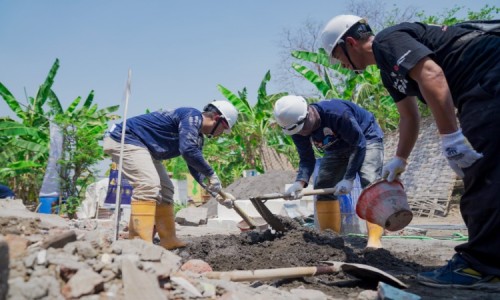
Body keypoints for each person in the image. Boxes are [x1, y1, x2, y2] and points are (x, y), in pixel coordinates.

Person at [321, 15, 500, 290]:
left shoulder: (387, 41)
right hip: (481, 83)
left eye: (338, 57)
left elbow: (432, 75)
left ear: (351, 42)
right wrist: (400, 159)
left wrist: (451, 137)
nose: (341, 66)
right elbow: (409, 117)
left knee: (483, 172)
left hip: (489, 72)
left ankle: (479, 266)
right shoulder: (387, 71)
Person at [103, 100, 238, 250]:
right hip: (125, 138)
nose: (221, 134)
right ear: (216, 118)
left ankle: (168, 239)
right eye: (224, 128)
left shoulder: (197, 136)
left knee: (166, 190)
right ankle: (138, 243)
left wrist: (216, 193)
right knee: (148, 185)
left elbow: (193, 165)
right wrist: (211, 173)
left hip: (145, 148)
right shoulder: (192, 116)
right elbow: (188, 150)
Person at [273, 95, 385, 250]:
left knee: (370, 181)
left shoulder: (337, 114)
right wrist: (300, 183)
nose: (304, 133)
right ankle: (331, 240)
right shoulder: (296, 128)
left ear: (309, 113)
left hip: (366, 137)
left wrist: (349, 178)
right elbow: (306, 158)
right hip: (336, 148)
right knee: (323, 187)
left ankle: (374, 241)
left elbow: (359, 145)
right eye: (299, 132)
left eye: (304, 128)